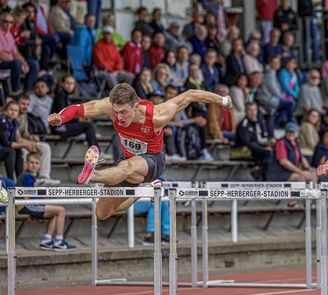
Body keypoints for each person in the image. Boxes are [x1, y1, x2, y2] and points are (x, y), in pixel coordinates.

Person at [48, 83, 232, 221]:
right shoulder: (109, 106)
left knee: (126, 167)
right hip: (127, 160)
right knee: (102, 213)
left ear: (135, 107)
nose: (119, 118)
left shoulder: (158, 115)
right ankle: (143, 190)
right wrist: (61, 118)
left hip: (153, 161)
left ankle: (92, 174)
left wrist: (223, 100)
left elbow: (191, 95)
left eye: (124, 112)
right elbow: (79, 109)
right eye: (116, 112)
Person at [17, 152, 76, 251]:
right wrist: (43, 201)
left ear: (40, 165)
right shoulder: (26, 176)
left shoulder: (30, 175)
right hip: (26, 206)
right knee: (61, 210)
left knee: (55, 214)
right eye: (31, 162)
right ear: (26, 163)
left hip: (29, 205)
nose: (34, 165)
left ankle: (47, 241)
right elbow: (32, 195)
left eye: (36, 163)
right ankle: (59, 241)